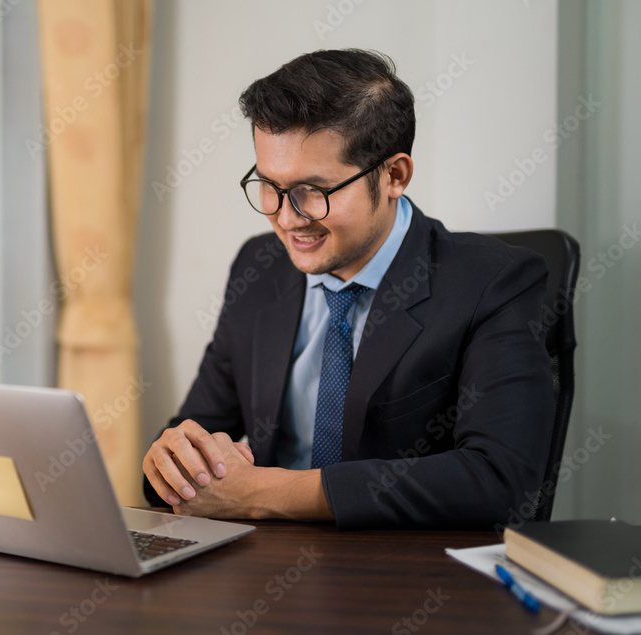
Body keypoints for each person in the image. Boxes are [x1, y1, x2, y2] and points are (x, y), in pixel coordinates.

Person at [142, 49, 553, 529]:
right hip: (265, 571)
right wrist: (172, 462)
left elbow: (500, 481)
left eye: (313, 190)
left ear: (394, 175)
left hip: (405, 581)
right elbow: (199, 430)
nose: (286, 217)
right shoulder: (260, 267)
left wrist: (264, 493)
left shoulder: (493, 282)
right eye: (269, 185)